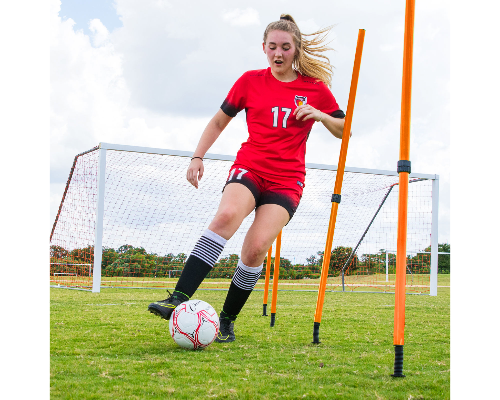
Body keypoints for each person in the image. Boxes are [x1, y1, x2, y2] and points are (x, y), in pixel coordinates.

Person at [148, 14, 347, 343]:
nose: (278, 53)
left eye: (286, 47)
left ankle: (226, 321)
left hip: (287, 180)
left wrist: (321, 115)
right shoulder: (250, 81)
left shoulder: (314, 89)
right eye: (272, 47)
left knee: (254, 250)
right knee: (226, 216)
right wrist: (197, 157)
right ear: (264, 48)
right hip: (250, 167)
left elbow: (345, 130)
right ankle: (178, 298)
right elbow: (217, 122)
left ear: (296, 50)